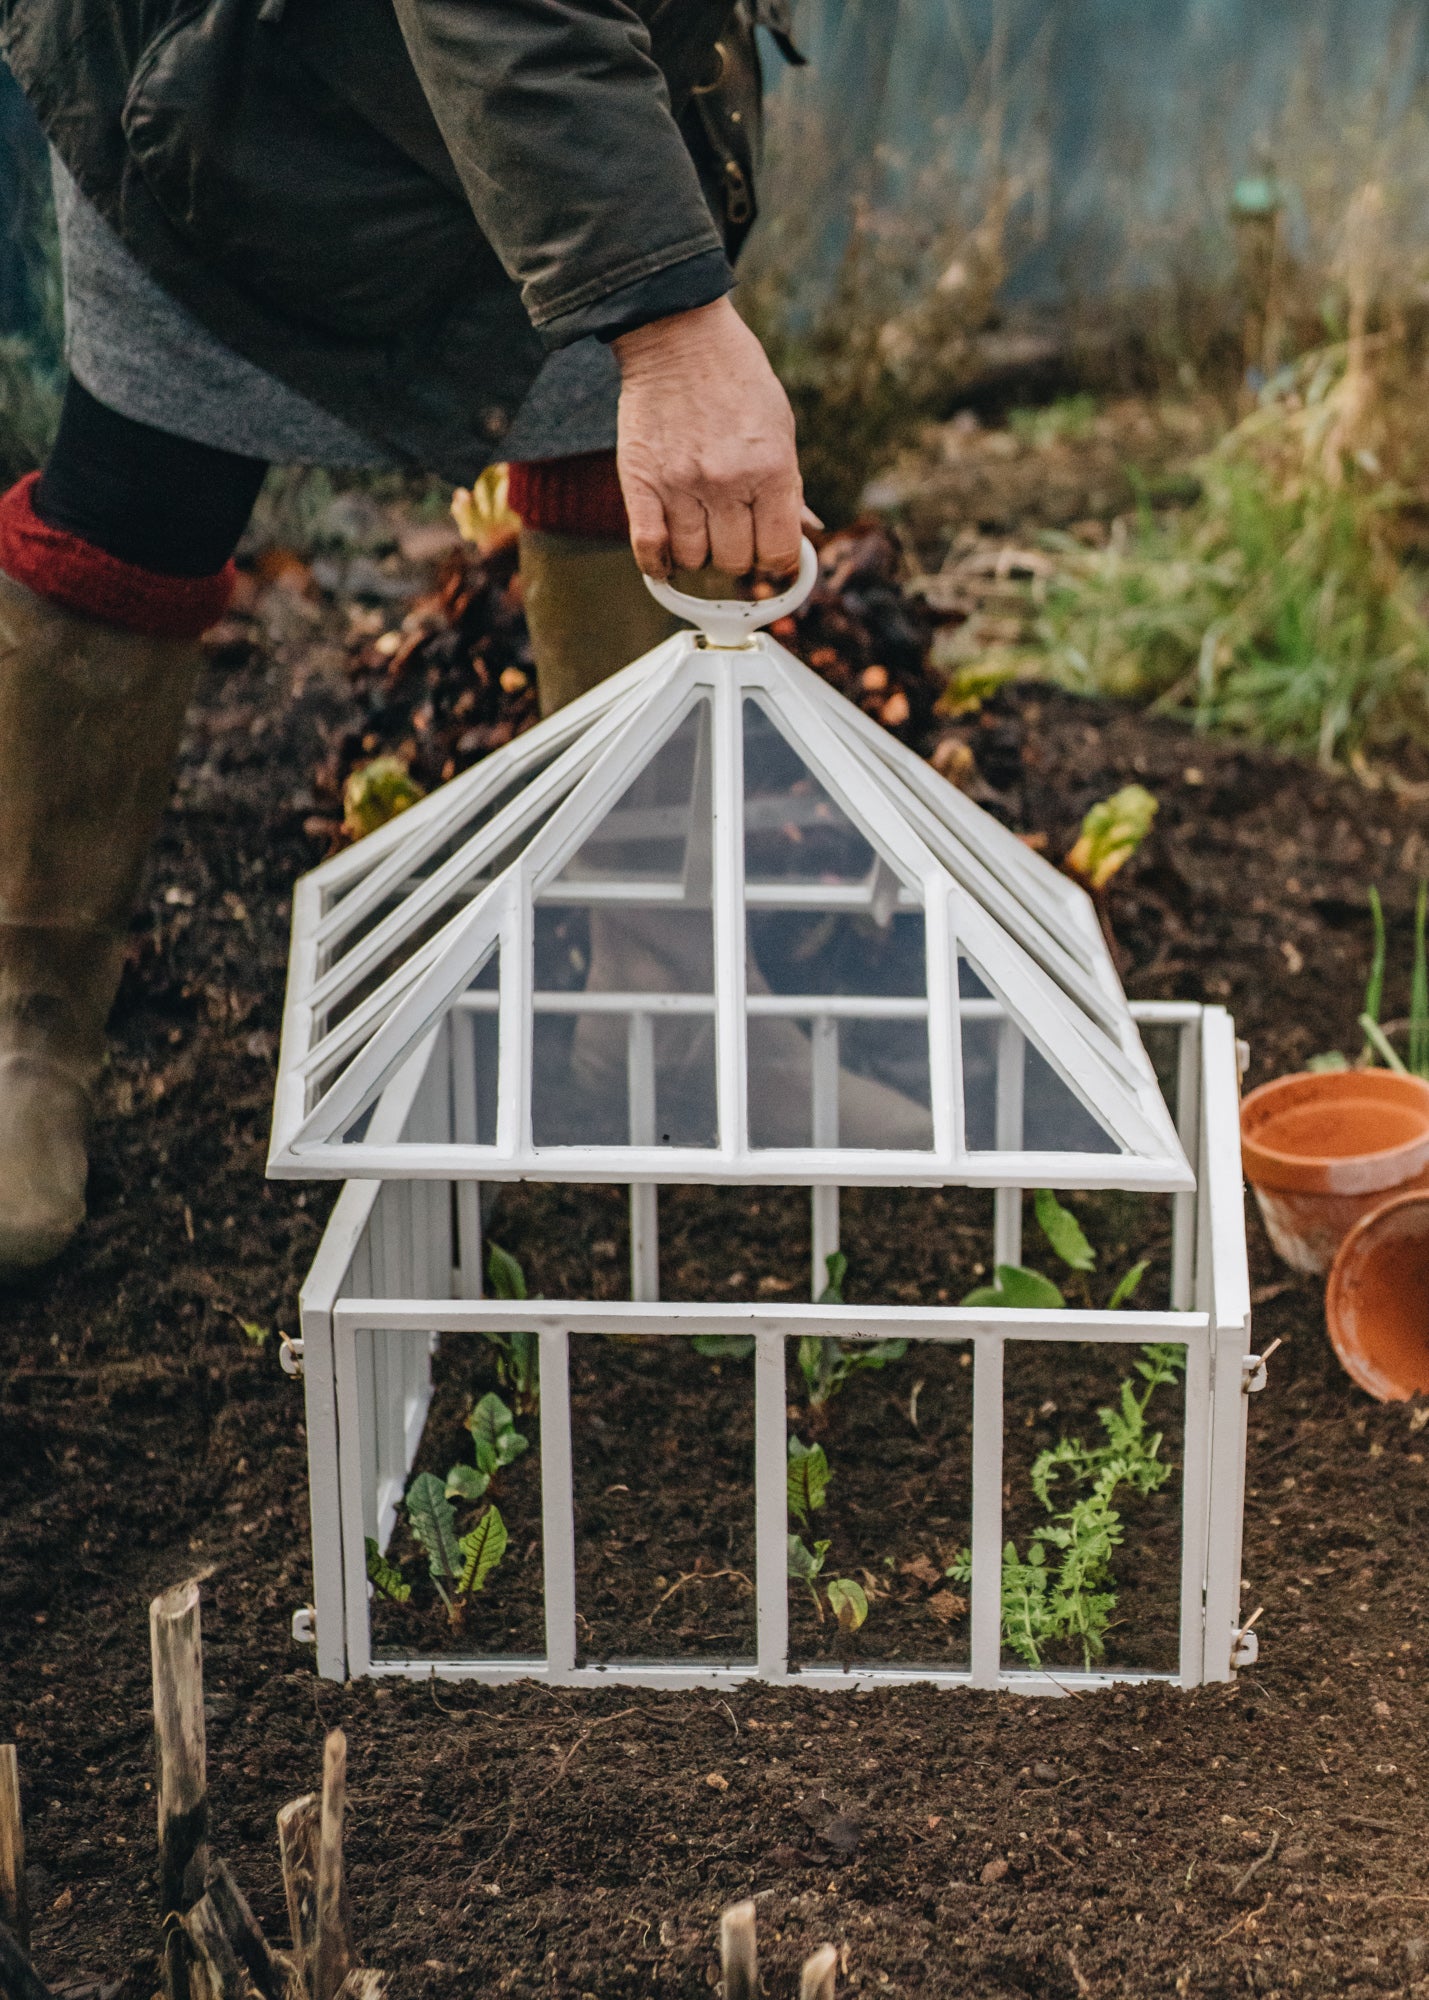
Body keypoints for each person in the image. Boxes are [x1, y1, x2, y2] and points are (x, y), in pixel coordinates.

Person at [0, 0, 811, 1275]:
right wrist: (664, 320)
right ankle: (28, 1025)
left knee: (615, 435)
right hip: (229, 81)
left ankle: (666, 989)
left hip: (581, 82)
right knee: (150, 480)